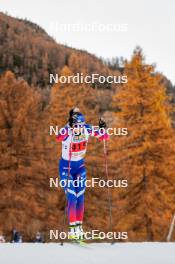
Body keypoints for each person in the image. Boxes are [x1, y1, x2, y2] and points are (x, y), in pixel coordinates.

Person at [56, 107, 109, 240]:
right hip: (66, 168)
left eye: (80, 125)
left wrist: (103, 129)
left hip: (79, 167)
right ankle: (72, 229)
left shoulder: (87, 128)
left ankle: (79, 228)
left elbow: (104, 137)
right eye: (76, 126)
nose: (78, 128)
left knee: (80, 197)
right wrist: (69, 126)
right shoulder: (67, 131)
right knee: (72, 198)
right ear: (72, 124)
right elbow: (58, 137)